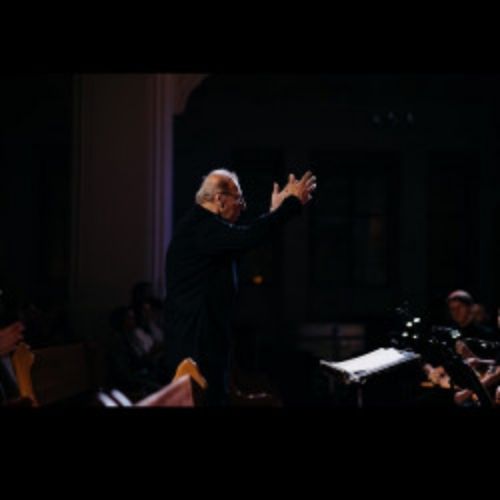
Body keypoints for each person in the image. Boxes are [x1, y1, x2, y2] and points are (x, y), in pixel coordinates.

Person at [163, 168, 316, 405]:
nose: (242, 207)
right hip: (196, 350)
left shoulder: (208, 229)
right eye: (239, 199)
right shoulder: (202, 227)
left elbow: (247, 237)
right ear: (220, 199)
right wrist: (290, 206)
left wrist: (274, 214)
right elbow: (248, 237)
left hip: (206, 344)